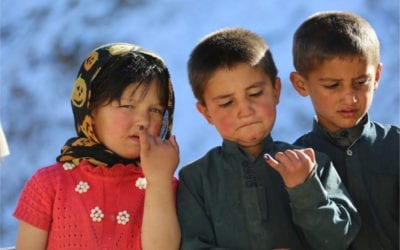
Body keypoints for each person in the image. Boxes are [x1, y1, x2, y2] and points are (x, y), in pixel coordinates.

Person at [177, 27, 360, 250]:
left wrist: (305, 188)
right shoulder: (196, 180)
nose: (245, 110)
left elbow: (340, 239)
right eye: (226, 103)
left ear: (276, 91)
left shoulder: (312, 163)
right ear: (206, 113)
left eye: (255, 94)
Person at [13, 43, 181, 250]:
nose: (143, 120)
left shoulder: (170, 188)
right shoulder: (49, 185)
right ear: (90, 109)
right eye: (127, 106)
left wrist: (159, 181)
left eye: (155, 110)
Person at [290, 11, 399, 249]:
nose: (349, 98)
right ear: (301, 84)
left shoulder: (395, 145)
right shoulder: (295, 163)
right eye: (332, 85)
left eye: (361, 83)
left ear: (377, 76)